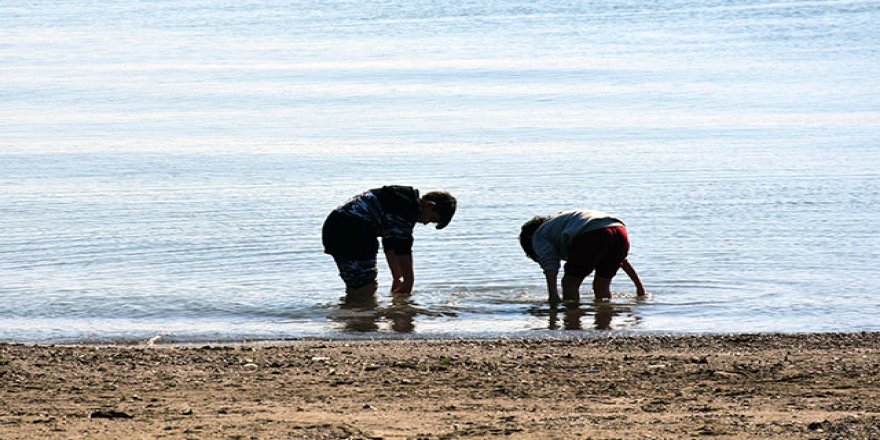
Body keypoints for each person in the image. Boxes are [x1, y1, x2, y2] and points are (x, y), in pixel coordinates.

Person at [322, 185, 456, 300]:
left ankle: (353, 315)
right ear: (430, 205)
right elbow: (403, 248)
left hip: (336, 228)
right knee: (366, 287)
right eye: (431, 219)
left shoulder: (397, 200)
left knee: (357, 283)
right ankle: (361, 319)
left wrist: (397, 277)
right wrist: (408, 282)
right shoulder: (406, 209)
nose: (426, 223)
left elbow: (390, 244)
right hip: (352, 232)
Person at [519, 209, 646, 303]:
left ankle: (572, 323)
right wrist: (640, 289)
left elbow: (550, 264)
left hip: (593, 233)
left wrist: (553, 296)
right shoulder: (560, 223)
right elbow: (622, 260)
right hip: (619, 230)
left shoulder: (539, 235)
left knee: (569, 283)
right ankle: (604, 323)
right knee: (601, 285)